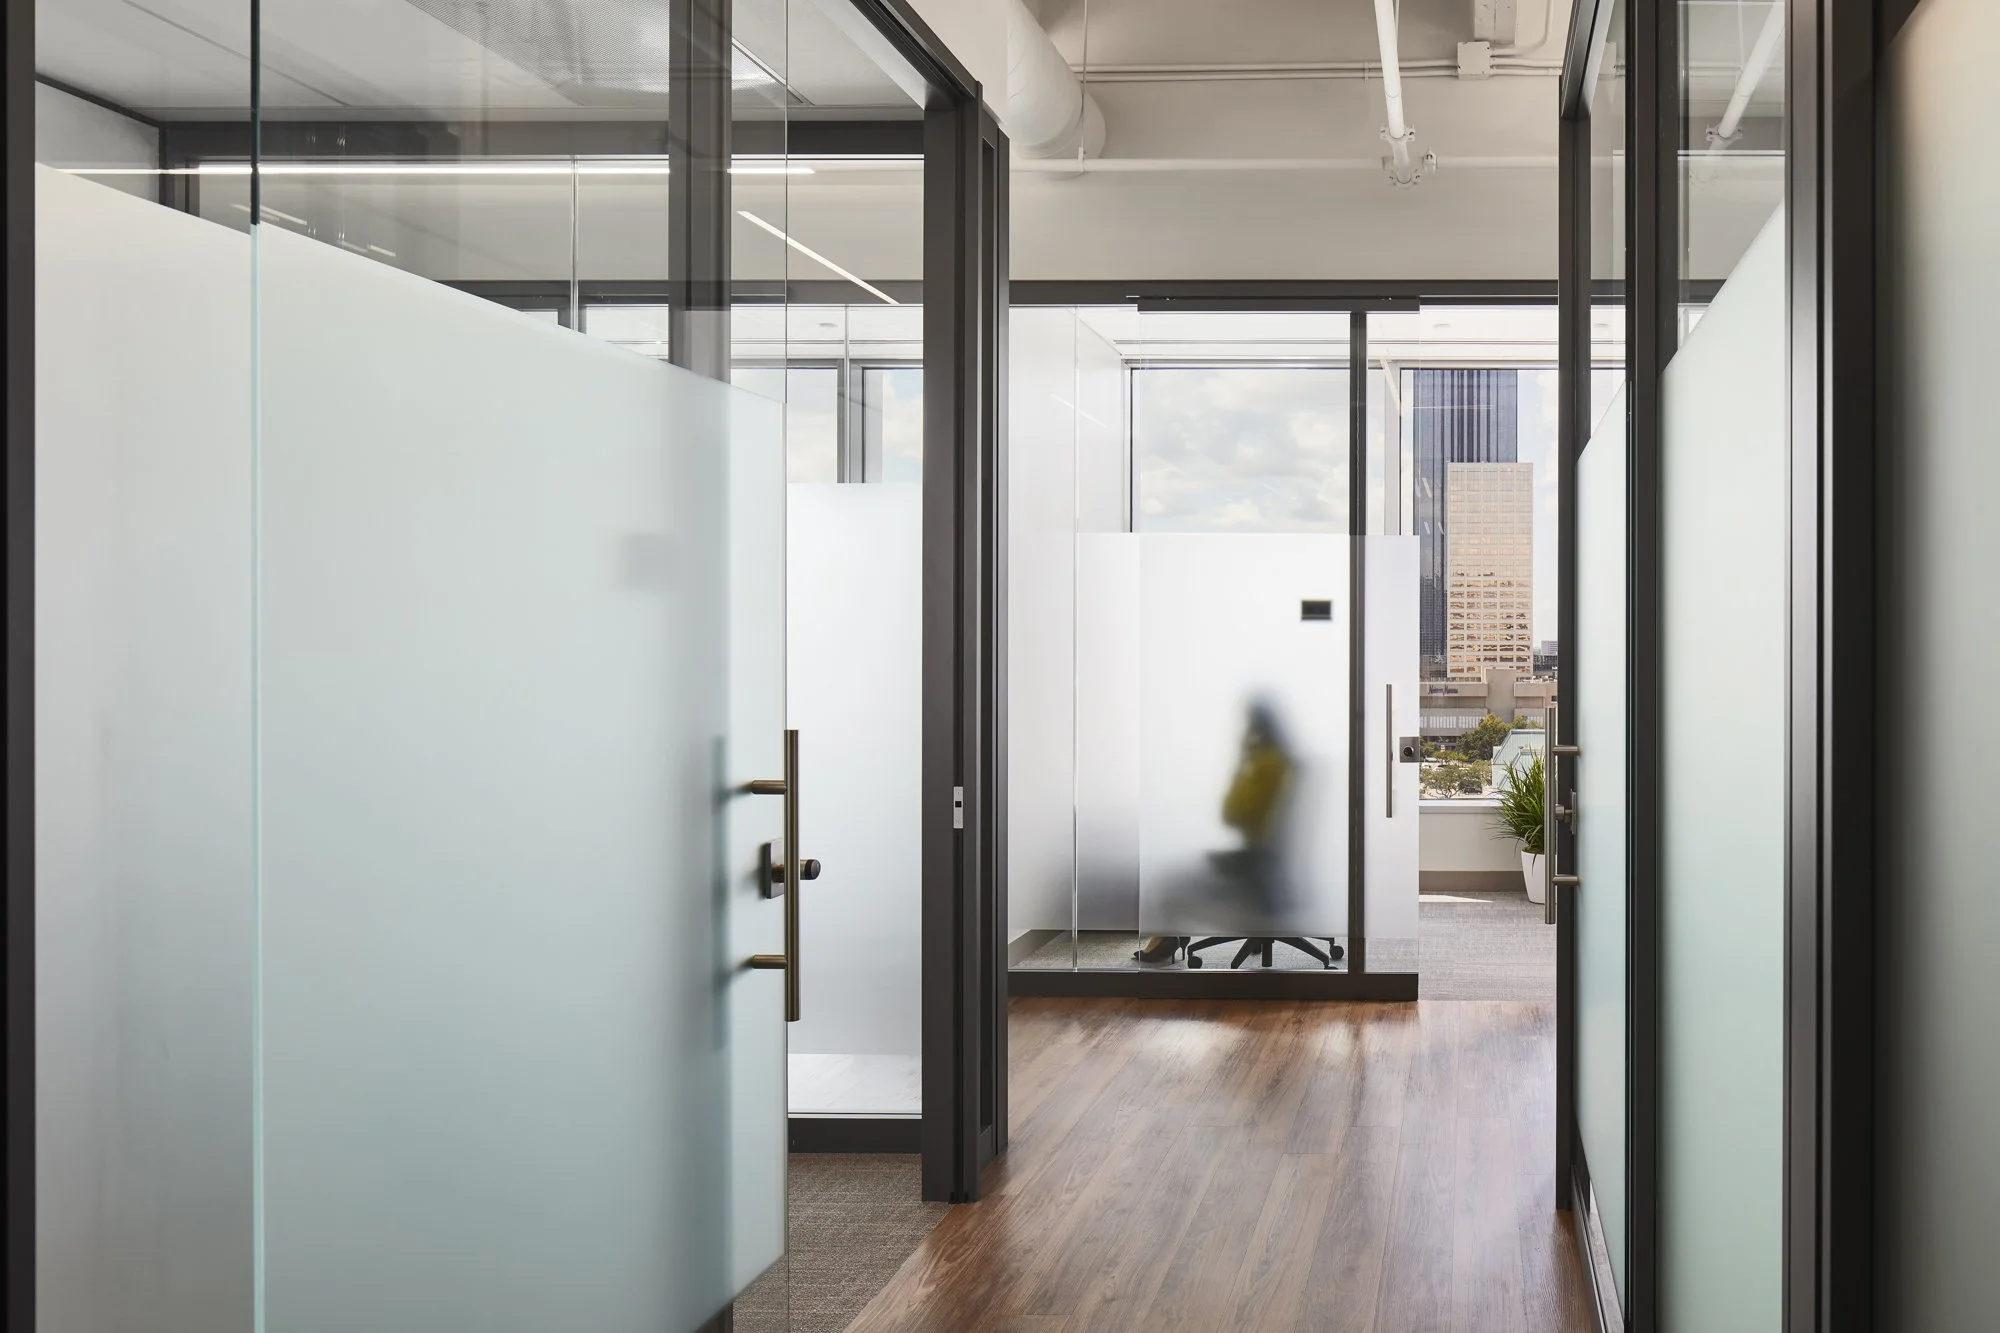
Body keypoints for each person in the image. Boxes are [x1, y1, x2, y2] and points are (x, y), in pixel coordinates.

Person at [1135, 699, 1296, 963]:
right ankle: (1169, 937)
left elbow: (1232, 814)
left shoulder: (1264, 764)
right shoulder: (1284, 762)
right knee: (1190, 865)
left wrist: (1244, 758)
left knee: (1167, 879)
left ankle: (1166, 939)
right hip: (1269, 866)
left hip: (1254, 870)